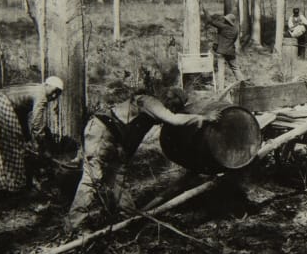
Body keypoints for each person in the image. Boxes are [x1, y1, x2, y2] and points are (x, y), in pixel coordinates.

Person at [65, 88, 213, 234]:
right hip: (102, 131)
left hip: (113, 138)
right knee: (93, 178)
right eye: (175, 104)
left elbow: (133, 134)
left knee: (118, 178)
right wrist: (203, 118)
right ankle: (76, 224)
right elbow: (173, 119)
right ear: (169, 96)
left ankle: (127, 218)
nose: (173, 109)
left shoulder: (149, 110)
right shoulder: (150, 102)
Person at [0, 77, 65, 193]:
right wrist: (42, 142)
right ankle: (4, 187)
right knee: (10, 147)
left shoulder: (34, 88)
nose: (55, 96)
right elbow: (36, 123)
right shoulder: (41, 95)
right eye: (54, 91)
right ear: (47, 85)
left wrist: (26, 136)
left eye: (58, 94)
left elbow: (21, 113)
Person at [203, 9, 246, 83]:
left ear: (227, 21)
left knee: (221, 70)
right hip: (231, 52)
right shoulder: (235, 30)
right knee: (235, 68)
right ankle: (242, 83)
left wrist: (205, 11)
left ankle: (221, 89)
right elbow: (234, 40)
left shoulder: (223, 27)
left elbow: (210, 21)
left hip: (221, 52)